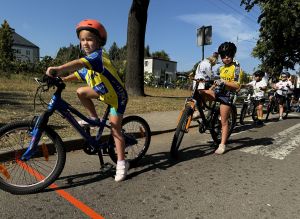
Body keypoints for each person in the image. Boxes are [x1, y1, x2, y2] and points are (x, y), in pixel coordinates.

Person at [46, 19, 129, 182]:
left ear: (99, 42)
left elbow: (77, 64)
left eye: (89, 39)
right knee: (81, 91)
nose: (85, 43)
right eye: (82, 40)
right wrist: (63, 78)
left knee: (115, 130)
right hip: (102, 91)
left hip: (117, 97)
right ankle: (93, 118)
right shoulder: (89, 63)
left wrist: (58, 69)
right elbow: (78, 73)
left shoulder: (98, 57)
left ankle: (121, 163)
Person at [198, 42, 242, 154]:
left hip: (227, 96)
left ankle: (222, 144)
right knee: (201, 92)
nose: (226, 58)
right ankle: (199, 112)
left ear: (233, 55)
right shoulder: (221, 68)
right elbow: (218, 82)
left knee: (224, 121)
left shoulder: (236, 67)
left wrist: (224, 82)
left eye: (228, 55)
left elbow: (237, 85)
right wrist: (212, 87)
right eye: (223, 56)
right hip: (218, 92)